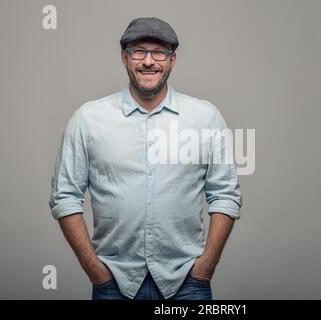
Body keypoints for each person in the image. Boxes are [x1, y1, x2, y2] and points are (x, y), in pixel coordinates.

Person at [49, 17, 242, 300]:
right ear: (124, 57)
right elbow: (64, 196)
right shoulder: (89, 119)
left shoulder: (205, 117)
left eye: (159, 52)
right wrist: (95, 271)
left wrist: (205, 268)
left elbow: (225, 193)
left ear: (172, 59)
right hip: (113, 283)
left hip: (187, 283)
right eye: (139, 51)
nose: (149, 61)